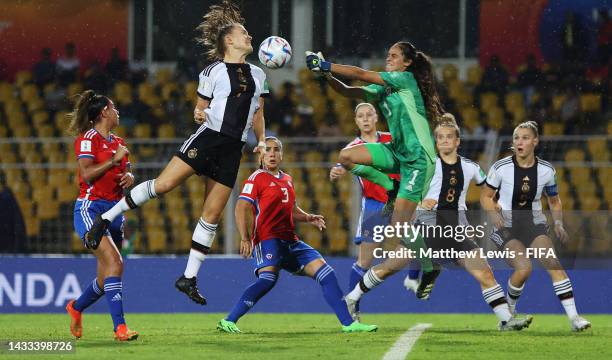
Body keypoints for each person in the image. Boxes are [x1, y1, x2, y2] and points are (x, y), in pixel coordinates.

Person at [85, 0, 268, 306]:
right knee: (164, 185)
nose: (249, 37)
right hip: (208, 138)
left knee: (212, 214)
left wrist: (261, 140)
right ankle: (105, 218)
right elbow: (200, 106)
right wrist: (198, 113)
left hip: (233, 149)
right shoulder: (213, 71)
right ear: (229, 40)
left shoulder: (259, 74)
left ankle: (189, 277)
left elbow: (259, 111)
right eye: (244, 33)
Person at [306, 41, 442, 299]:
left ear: (407, 62)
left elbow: (359, 74)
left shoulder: (405, 79)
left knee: (399, 224)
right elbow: (347, 90)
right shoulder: (383, 89)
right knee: (346, 156)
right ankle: (391, 188)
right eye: (387, 54)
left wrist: (326, 64)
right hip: (398, 153)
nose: (388, 58)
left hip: (418, 158)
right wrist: (326, 75)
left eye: (393, 55)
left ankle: (429, 266)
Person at [217, 137, 377, 333]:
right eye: (268, 150)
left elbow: (290, 209)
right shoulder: (256, 178)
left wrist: (308, 217)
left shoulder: (287, 179)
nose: (272, 153)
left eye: (276, 150)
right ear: (261, 154)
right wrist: (244, 237)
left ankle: (349, 324)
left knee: (327, 274)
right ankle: (229, 320)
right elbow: (241, 208)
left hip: (291, 241)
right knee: (267, 280)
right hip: (268, 239)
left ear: (282, 155)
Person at [401, 116, 532, 330]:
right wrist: (419, 202)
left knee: (485, 271)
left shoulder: (470, 167)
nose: (444, 141)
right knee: (388, 266)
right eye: (440, 137)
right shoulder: (425, 165)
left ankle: (506, 320)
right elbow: (406, 189)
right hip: (428, 227)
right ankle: (356, 296)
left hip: (456, 230)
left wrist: (496, 202)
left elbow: (487, 187)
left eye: (449, 137)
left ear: (457, 141)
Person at [481, 121, 591, 332]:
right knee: (524, 268)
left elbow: (554, 200)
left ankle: (575, 318)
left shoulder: (547, 170)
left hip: (534, 225)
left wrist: (558, 223)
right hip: (506, 226)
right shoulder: (500, 167)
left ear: (535, 141)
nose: (519, 142)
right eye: (516, 138)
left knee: (552, 261)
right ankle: (508, 315)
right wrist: (493, 214)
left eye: (524, 137)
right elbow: (486, 197)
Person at [65, 90, 138, 341]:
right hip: (91, 209)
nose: (118, 111)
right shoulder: (88, 139)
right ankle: (120, 328)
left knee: (105, 275)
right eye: (114, 107)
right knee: (116, 264)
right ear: (104, 112)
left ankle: (75, 307)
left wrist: (130, 177)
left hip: (115, 211)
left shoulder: (118, 142)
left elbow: (127, 170)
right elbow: (86, 174)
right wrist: (112, 162)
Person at [328, 102, 397, 319]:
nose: (366, 118)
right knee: (364, 262)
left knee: (419, 247)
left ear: (376, 117)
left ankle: (417, 277)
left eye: (369, 114)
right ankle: (352, 308)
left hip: (401, 202)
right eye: (361, 116)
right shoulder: (352, 149)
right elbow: (343, 164)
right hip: (375, 207)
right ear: (356, 121)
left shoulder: (392, 139)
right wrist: (336, 171)